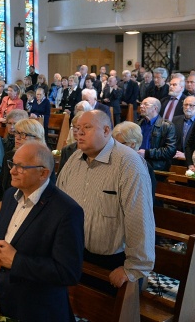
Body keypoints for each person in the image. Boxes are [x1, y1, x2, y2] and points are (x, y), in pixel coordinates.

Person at [0, 142, 84, 321]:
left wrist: (16, 261)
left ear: (43, 173)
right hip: (1, 303)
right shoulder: (11, 195)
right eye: (12, 164)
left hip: (35, 311)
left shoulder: (66, 211)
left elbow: (68, 272)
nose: (12, 171)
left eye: (20, 167)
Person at [57, 110, 155, 294]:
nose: (79, 133)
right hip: (74, 254)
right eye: (77, 128)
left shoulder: (128, 163)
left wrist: (133, 267)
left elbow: (139, 216)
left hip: (111, 262)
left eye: (87, 127)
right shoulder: (74, 160)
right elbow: (58, 203)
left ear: (106, 130)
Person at [0, 118, 47, 207]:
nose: (17, 137)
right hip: (7, 204)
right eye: (17, 133)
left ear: (37, 138)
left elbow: (44, 193)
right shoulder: (9, 156)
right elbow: (1, 185)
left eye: (23, 134)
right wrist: (0, 203)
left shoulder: (44, 162)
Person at [111, 121, 157, 205]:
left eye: (119, 144)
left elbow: (146, 200)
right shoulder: (114, 162)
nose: (114, 147)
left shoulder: (144, 166)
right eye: (113, 143)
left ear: (132, 144)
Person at [137, 97, 177, 172]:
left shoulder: (167, 126)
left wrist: (147, 153)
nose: (141, 106)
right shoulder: (138, 123)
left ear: (155, 108)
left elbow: (170, 150)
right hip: (137, 164)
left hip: (156, 167)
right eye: (141, 104)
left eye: (145, 104)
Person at [172, 96, 195, 161]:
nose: (187, 107)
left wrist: (186, 155)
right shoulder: (175, 120)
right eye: (185, 105)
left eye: (191, 105)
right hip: (176, 159)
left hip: (193, 161)